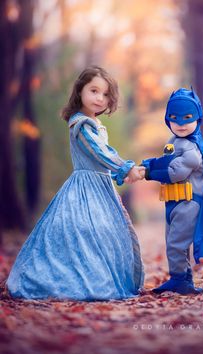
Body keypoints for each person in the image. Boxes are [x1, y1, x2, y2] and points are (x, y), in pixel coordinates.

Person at [6, 66, 145, 301]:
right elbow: (101, 153)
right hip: (84, 189)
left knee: (105, 234)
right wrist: (126, 167)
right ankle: (82, 281)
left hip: (100, 187)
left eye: (106, 94)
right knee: (85, 232)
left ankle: (104, 276)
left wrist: (123, 174)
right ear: (80, 91)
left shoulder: (93, 123)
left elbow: (98, 164)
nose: (100, 98)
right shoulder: (81, 124)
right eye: (94, 91)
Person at [141, 87, 203, 295]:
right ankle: (184, 279)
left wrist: (148, 172)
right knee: (174, 241)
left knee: (176, 243)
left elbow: (176, 171)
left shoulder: (192, 147)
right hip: (174, 203)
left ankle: (179, 280)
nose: (180, 123)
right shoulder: (175, 142)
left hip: (189, 202)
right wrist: (149, 164)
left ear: (198, 119)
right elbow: (166, 161)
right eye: (174, 118)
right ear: (167, 119)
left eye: (187, 118)